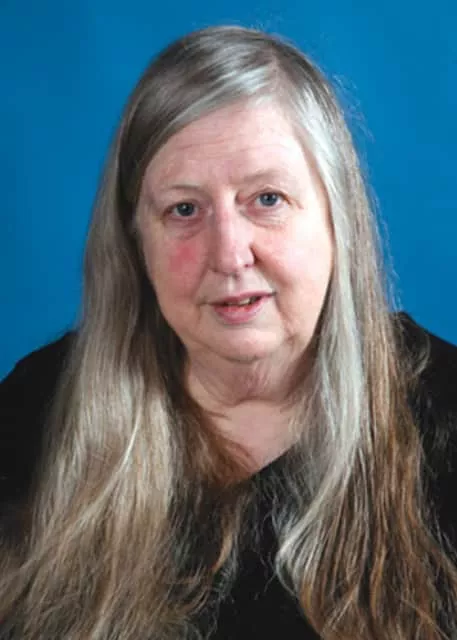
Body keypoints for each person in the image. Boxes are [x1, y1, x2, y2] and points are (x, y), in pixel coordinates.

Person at [1, 25, 457, 640]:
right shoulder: (38, 407)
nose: (228, 253)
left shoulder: (446, 414)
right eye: (184, 210)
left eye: (266, 198)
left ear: (337, 218)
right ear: (136, 241)